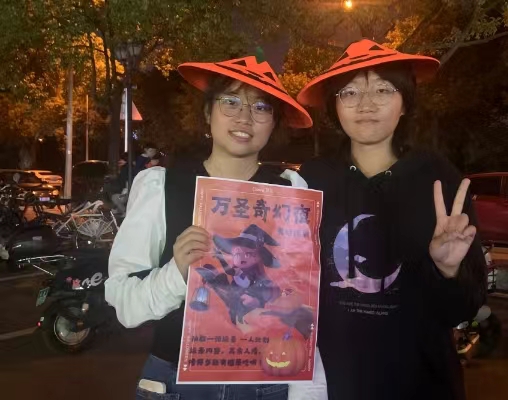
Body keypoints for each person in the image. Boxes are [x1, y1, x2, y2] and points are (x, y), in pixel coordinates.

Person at [105, 55, 327, 400]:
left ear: (274, 124)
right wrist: (176, 273)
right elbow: (125, 306)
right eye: (231, 101)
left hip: (267, 379)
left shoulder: (290, 192)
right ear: (208, 113)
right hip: (176, 382)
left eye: (261, 107)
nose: (244, 117)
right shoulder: (162, 186)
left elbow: (302, 293)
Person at [296, 39, 487, 400]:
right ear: (335, 106)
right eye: (350, 92)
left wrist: (447, 270)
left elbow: (463, 308)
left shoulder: (437, 178)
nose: (366, 104)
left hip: (420, 383)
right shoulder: (313, 179)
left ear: (405, 104)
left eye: (383, 89)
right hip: (332, 381)